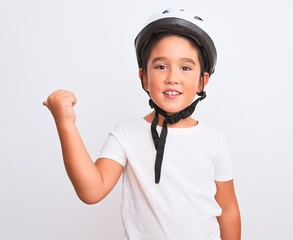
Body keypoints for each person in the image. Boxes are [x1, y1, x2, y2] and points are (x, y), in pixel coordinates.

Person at [43, 8, 241, 240]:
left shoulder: (213, 140)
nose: (172, 77)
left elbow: (228, 210)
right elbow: (91, 191)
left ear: (202, 81)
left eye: (185, 67)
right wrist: (65, 124)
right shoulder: (126, 134)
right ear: (144, 77)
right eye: (160, 66)